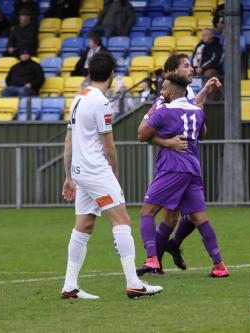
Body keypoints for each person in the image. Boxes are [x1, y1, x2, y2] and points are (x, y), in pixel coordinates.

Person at [61, 52, 163, 300]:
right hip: (96, 171)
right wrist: (113, 175)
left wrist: (68, 176)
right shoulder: (101, 102)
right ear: (111, 75)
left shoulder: (78, 98)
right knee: (122, 221)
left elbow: (68, 141)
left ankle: (69, 285)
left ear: (88, 73)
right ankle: (133, 283)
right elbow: (109, 145)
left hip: (80, 171)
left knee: (83, 225)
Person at [137, 72, 229, 278]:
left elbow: (142, 135)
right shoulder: (198, 112)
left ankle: (152, 259)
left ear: (170, 92)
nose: (161, 92)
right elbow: (202, 134)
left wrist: (161, 131)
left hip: (172, 167)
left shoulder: (163, 111)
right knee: (199, 218)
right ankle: (219, 265)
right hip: (193, 168)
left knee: (147, 212)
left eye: (163, 89)